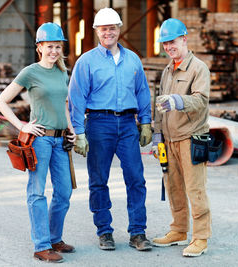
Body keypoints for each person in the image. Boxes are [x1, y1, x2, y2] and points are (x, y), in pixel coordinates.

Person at [68, 7, 152, 252]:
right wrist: (79, 132)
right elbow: (76, 98)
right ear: (96, 31)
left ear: (119, 29)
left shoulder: (133, 60)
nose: (108, 33)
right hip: (98, 124)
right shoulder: (86, 62)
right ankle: (104, 231)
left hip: (127, 124)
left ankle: (138, 232)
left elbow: (142, 91)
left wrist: (145, 121)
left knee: (136, 179)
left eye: (112, 28)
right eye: (103, 29)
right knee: (99, 180)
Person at [0, 22, 76, 263]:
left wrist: (71, 129)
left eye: (58, 46)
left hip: (61, 141)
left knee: (64, 192)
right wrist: (22, 125)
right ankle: (42, 246)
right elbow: (1, 102)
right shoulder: (30, 72)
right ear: (39, 47)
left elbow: (64, 104)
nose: (54, 51)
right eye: (49, 46)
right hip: (40, 141)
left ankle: (54, 238)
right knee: (37, 193)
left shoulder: (62, 72)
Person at [151, 18, 212, 257]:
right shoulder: (167, 70)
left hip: (191, 138)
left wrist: (178, 101)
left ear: (184, 39)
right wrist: (157, 135)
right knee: (174, 187)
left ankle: (201, 238)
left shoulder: (198, 68)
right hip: (170, 139)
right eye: (165, 43)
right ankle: (178, 230)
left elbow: (201, 101)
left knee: (195, 189)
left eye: (172, 42)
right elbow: (159, 106)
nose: (168, 47)